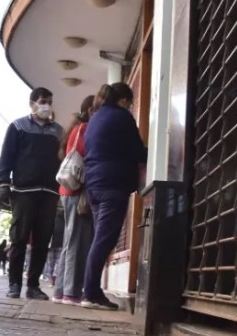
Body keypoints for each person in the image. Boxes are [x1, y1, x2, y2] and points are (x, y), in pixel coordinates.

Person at [81, 83, 147, 311]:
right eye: (130, 102)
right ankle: (90, 293)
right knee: (104, 240)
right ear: (124, 100)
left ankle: (92, 290)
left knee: (100, 238)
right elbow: (137, 151)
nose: (130, 106)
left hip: (94, 185)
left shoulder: (96, 118)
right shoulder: (122, 117)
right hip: (112, 184)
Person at [0, 87, 64, 300]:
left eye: (49, 102)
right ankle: (14, 284)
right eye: (43, 101)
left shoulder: (58, 131)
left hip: (50, 192)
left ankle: (33, 286)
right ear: (32, 103)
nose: (46, 106)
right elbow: (7, 155)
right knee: (19, 238)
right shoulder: (18, 126)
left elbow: (63, 160)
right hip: (23, 191)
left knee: (43, 241)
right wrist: (3, 182)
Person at [54, 95, 96, 304]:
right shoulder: (85, 128)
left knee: (70, 241)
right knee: (76, 242)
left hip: (68, 190)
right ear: (90, 110)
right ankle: (71, 292)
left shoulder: (75, 128)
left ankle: (61, 290)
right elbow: (86, 155)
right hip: (77, 191)